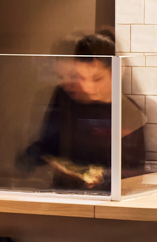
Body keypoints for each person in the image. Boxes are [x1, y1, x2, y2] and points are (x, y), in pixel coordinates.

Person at [18, 32, 147, 188]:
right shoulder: (61, 97)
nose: (67, 84)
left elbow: (133, 170)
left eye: (74, 76)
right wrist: (32, 156)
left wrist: (97, 175)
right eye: (60, 76)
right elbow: (49, 144)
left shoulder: (127, 110)